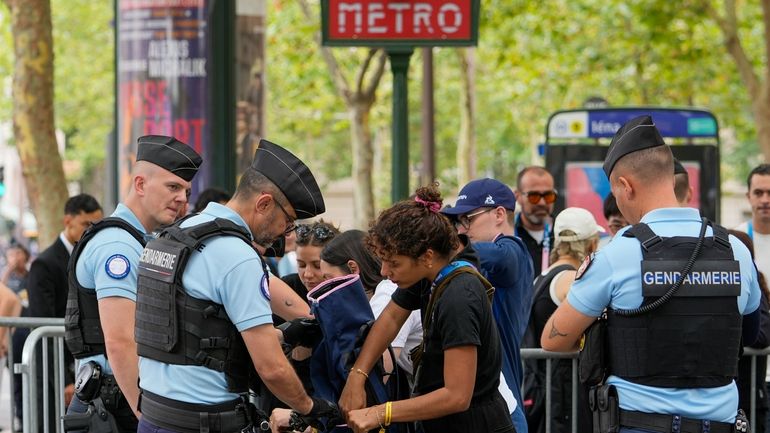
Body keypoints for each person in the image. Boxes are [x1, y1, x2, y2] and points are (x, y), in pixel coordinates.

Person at [541, 115, 761, 433]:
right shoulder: (735, 251)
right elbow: (751, 333)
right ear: (671, 178)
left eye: (616, 194)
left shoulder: (617, 255)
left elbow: (553, 340)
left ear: (626, 186)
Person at [135, 139, 337, 432]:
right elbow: (271, 368)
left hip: (156, 415)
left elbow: (194, 326)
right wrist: (311, 407)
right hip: (205, 421)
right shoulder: (237, 256)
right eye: (288, 220)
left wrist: (297, 327)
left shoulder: (178, 234)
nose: (285, 232)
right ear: (264, 203)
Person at [335, 184, 515, 433]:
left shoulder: (459, 296)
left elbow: (457, 396)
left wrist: (381, 412)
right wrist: (358, 374)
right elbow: (391, 317)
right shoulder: (428, 272)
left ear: (427, 256)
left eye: (394, 263)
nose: (384, 272)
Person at [64, 135, 202, 432]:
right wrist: (147, 416)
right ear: (140, 184)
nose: (182, 199)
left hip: (119, 399)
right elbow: (120, 342)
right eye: (173, 187)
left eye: (186, 190)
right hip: (117, 403)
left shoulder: (138, 240)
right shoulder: (118, 246)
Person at [440, 178, 534, 433]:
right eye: (458, 221)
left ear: (499, 214)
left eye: (468, 218)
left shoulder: (512, 250)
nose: (461, 229)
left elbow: (500, 257)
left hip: (504, 403)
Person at [28, 193, 103, 430]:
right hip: (56, 373)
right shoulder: (45, 264)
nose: (92, 231)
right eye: (86, 225)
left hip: (88, 369)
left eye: (96, 225)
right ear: (67, 222)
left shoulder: (93, 256)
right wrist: (65, 380)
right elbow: (44, 327)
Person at [524, 207, 603, 433]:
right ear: (591, 245)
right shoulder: (571, 279)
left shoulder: (542, 277)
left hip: (544, 386)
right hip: (562, 391)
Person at [320, 229, 423, 377]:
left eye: (329, 279)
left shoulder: (386, 294)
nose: (325, 286)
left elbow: (380, 373)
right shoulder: (382, 292)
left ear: (352, 268)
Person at [730, 229, 770, 433]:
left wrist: (727, 334)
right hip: (730, 400)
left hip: (751, 398)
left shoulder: (753, 287)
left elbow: (762, 335)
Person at [515, 167, 556, 274]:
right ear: (518, 196)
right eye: (533, 196)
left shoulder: (566, 234)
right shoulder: (507, 236)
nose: (542, 203)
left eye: (548, 196)